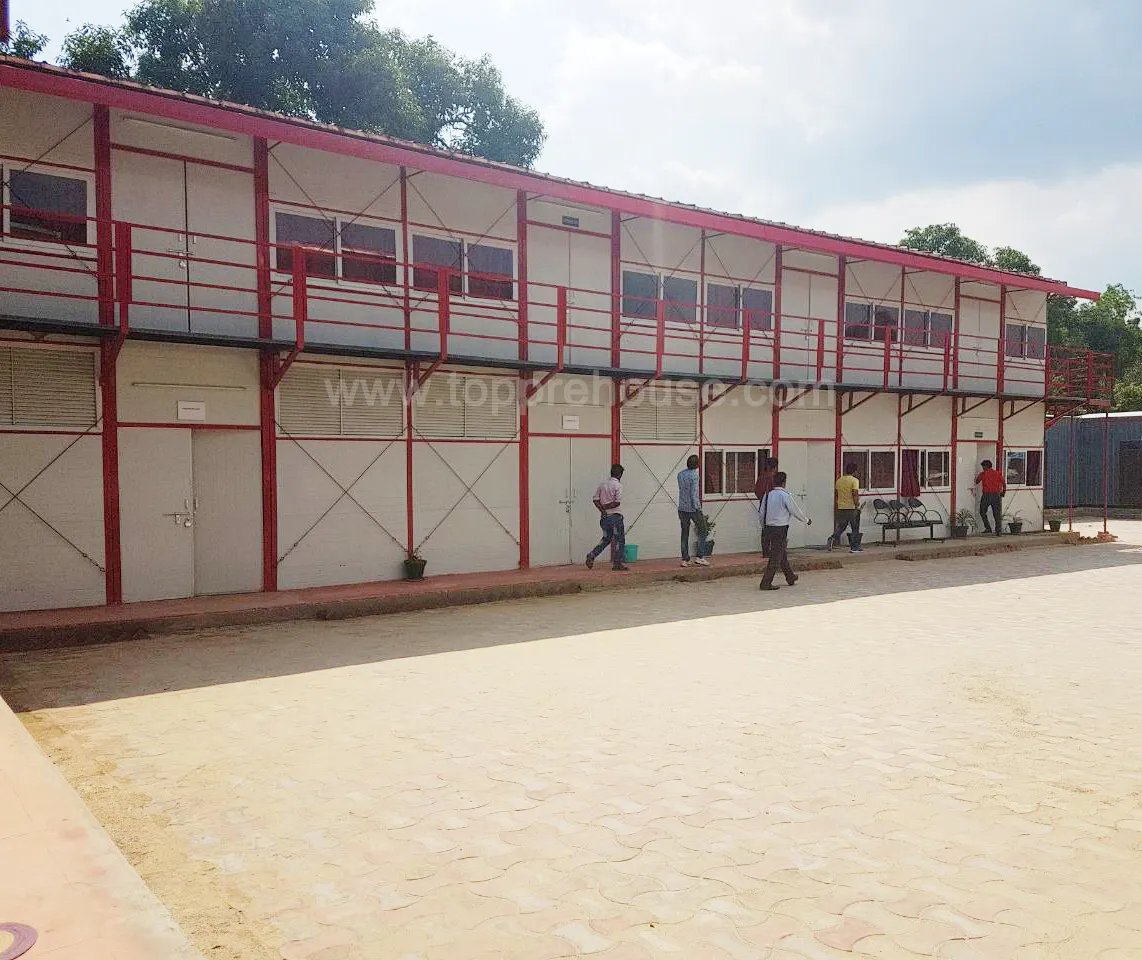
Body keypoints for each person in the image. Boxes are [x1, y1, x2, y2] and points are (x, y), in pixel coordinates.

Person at [758, 471, 812, 591]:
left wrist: (763, 526)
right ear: (784, 482)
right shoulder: (785, 495)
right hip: (780, 528)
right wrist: (806, 520)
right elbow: (795, 510)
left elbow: (761, 513)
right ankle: (765, 582)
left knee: (781, 554)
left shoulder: (767, 495)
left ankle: (790, 577)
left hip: (768, 527)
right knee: (776, 556)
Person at [585, 463, 629, 571]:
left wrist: (602, 510)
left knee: (606, 539)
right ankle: (617, 563)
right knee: (619, 540)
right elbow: (617, 502)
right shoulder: (618, 486)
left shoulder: (602, 484)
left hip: (604, 519)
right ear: (620, 474)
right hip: (615, 517)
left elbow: (595, 499)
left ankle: (592, 555)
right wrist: (605, 506)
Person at [677, 454, 710, 567]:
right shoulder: (694, 476)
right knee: (703, 530)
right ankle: (700, 556)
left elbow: (683, 490)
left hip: (682, 507)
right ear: (697, 465)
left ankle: (685, 559)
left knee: (684, 533)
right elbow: (693, 493)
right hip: (693, 508)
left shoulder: (680, 474)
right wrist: (697, 506)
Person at [827, 462, 862, 553]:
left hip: (841, 507)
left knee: (842, 526)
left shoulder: (839, 481)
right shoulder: (854, 481)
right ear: (855, 471)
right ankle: (855, 547)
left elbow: (836, 495)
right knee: (855, 527)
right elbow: (855, 493)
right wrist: (857, 504)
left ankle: (832, 538)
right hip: (851, 507)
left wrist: (837, 505)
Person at [754, 457, 779, 557]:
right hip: (774, 507)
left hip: (763, 506)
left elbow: (756, 491)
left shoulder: (761, 477)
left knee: (765, 529)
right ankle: (774, 550)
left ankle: (765, 551)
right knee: (775, 528)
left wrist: (762, 499)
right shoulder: (774, 478)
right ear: (775, 467)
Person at [974, 458, 1006, 536]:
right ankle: (998, 531)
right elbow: (1004, 483)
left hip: (986, 495)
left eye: (983, 466)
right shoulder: (997, 473)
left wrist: (976, 477)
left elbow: (977, 481)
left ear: (985, 466)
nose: (983, 468)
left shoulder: (983, 474)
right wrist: (1003, 492)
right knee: (997, 513)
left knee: (982, 511)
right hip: (996, 495)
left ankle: (988, 528)